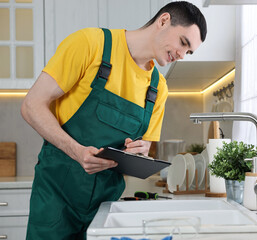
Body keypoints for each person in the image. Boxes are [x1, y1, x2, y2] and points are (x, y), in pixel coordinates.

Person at [21, 1, 207, 239]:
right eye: (183, 42)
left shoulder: (158, 89)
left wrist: (140, 153)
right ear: (163, 21)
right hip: (56, 197)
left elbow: (143, 148)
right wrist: (77, 151)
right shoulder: (91, 44)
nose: (182, 55)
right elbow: (31, 106)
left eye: (189, 52)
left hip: (105, 208)